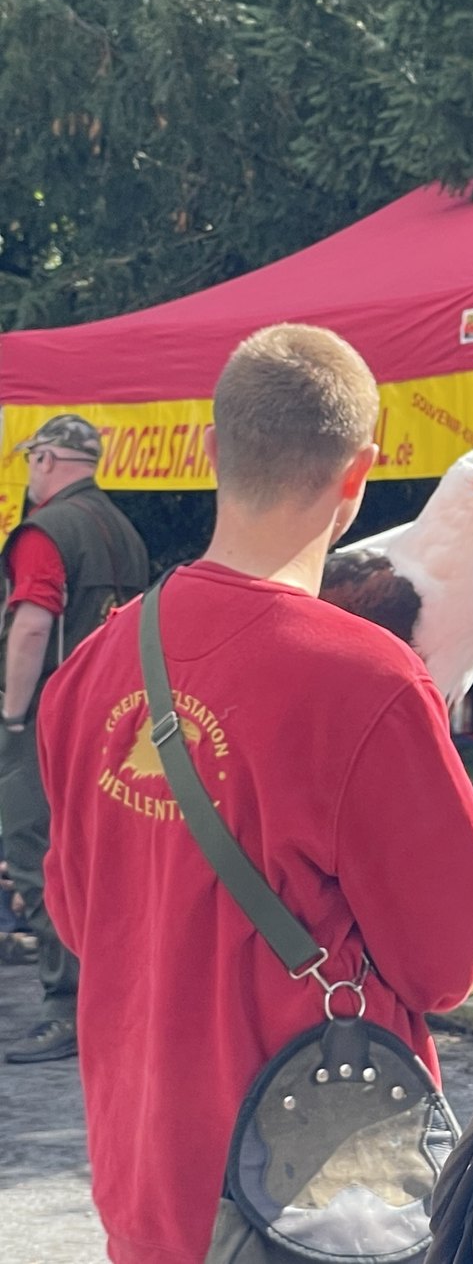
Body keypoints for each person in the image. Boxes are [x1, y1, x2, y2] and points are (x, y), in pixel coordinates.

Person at [38, 324, 473, 1264]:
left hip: (143, 1178)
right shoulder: (370, 682)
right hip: (302, 1197)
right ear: (359, 473)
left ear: (212, 448)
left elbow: (82, 919)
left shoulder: (92, 664)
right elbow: (447, 963)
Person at [0, 412, 147, 1064]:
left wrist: (12, 714)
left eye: (30, 460)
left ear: (46, 460)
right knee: (99, 863)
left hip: (48, 719)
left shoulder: (46, 530)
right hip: (113, 720)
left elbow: (33, 626)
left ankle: (67, 1008)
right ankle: (113, 1003)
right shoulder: (124, 530)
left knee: (37, 856)